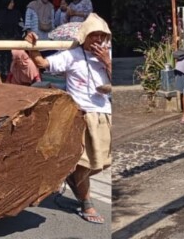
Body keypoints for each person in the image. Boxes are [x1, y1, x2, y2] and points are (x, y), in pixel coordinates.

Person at [25, 13, 113, 226]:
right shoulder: (71, 55)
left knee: (98, 163)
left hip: (105, 114)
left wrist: (106, 62)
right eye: (94, 35)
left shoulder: (108, 55)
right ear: (85, 37)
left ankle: (72, 178)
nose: (98, 40)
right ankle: (86, 203)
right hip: (80, 115)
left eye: (102, 36)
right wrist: (31, 46)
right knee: (84, 163)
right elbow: (42, 63)